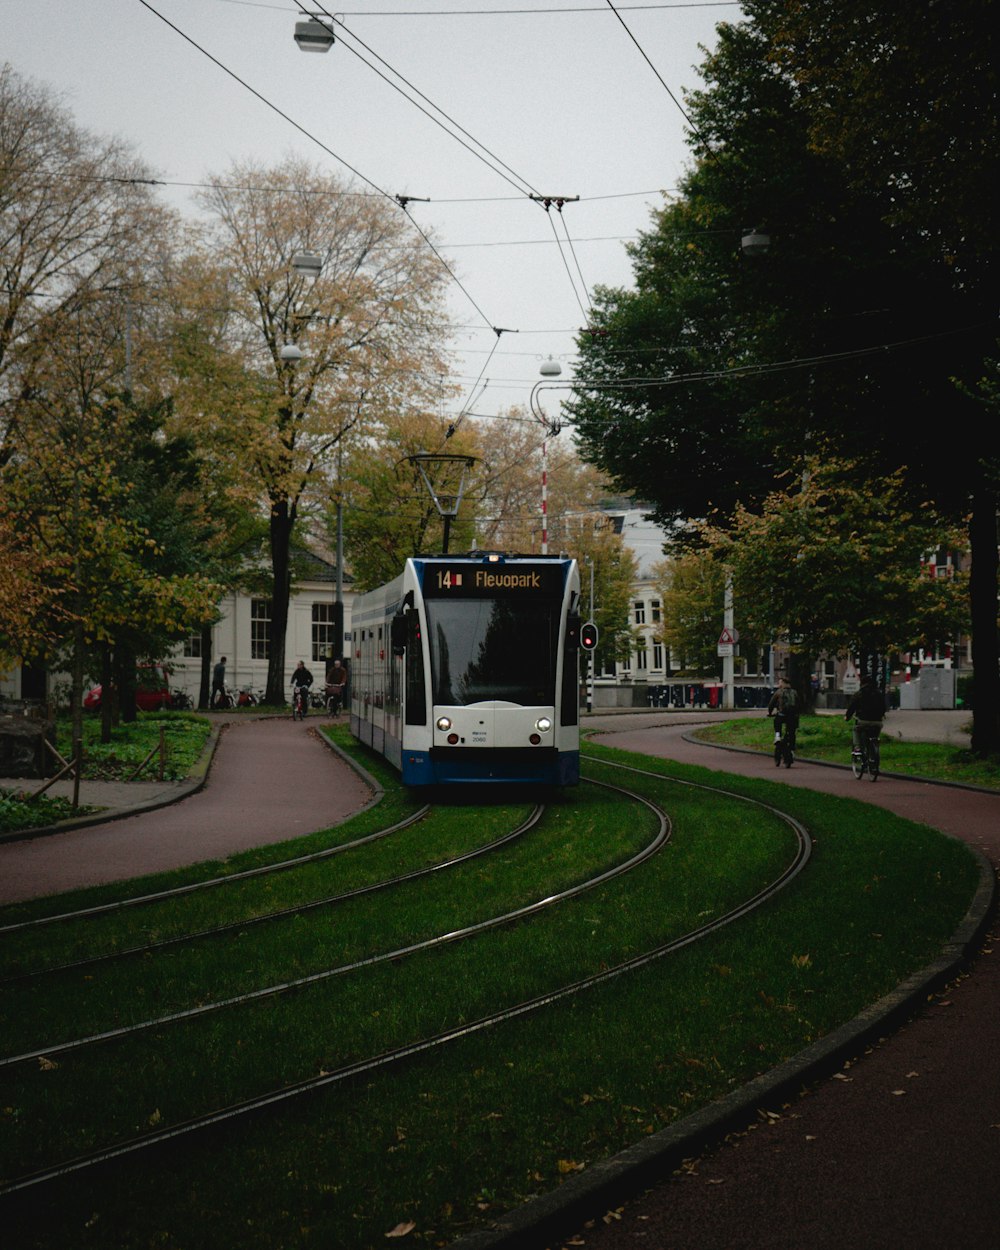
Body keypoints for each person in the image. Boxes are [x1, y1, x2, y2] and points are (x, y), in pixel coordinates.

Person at [845, 674, 885, 755]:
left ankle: (857, 748)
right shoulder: (879, 694)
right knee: (875, 733)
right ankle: (875, 744)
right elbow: (884, 707)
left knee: (856, 729)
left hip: (863, 720)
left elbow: (852, 707)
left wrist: (847, 717)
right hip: (877, 722)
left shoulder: (859, 694)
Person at [767, 676, 800, 751]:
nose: (779, 684)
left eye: (779, 683)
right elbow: (798, 704)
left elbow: (771, 704)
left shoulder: (779, 692)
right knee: (792, 731)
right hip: (792, 716)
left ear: (783, 683)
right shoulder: (794, 692)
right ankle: (792, 747)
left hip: (782, 714)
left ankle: (778, 736)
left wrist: (770, 712)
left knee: (776, 722)